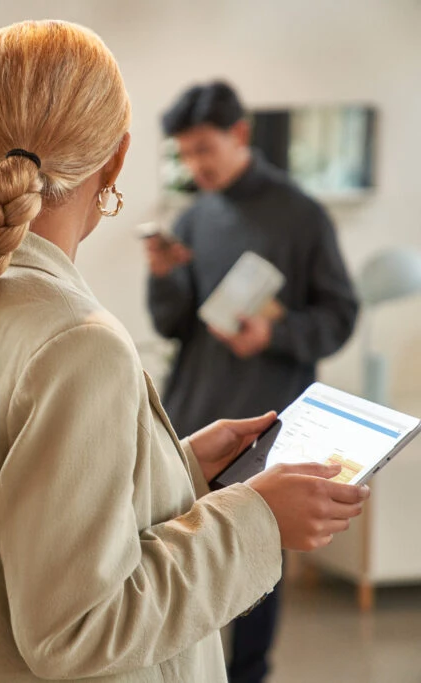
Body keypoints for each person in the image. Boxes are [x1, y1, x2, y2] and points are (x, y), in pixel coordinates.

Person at [0, 21, 369, 683]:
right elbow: (79, 628)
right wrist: (257, 518)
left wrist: (175, 468)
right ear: (115, 159)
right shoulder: (77, 345)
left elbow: (11, 527)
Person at [148, 82, 359, 683]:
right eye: (185, 154)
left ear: (239, 134)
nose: (195, 166)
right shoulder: (194, 215)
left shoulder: (301, 214)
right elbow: (172, 323)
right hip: (195, 413)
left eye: (204, 149)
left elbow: (340, 315)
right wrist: (163, 276)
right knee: (183, 563)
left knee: (260, 556)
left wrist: (275, 333)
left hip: (265, 422)